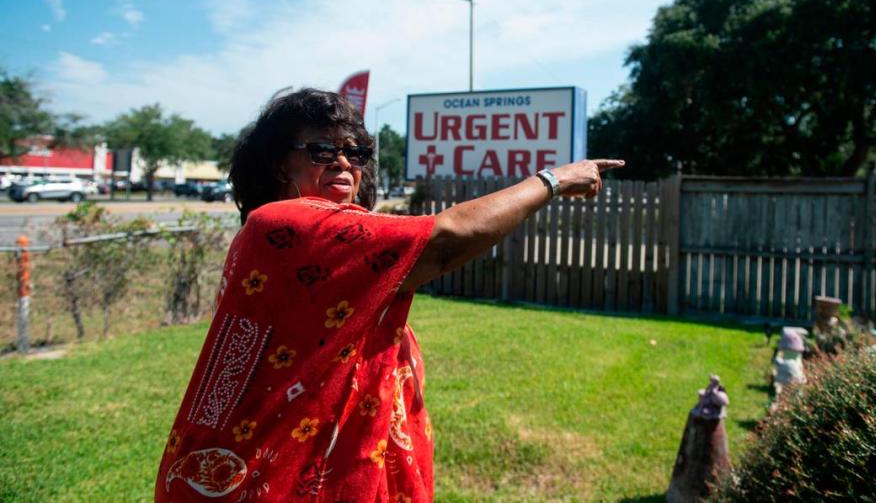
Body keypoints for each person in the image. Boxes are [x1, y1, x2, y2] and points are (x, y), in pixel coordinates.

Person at [155, 88, 623, 503]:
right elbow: (445, 242)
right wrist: (552, 181)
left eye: (356, 153)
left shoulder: (323, 239)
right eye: (322, 150)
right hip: (269, 475)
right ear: (280, 161)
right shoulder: (283, 224)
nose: (343, 163)